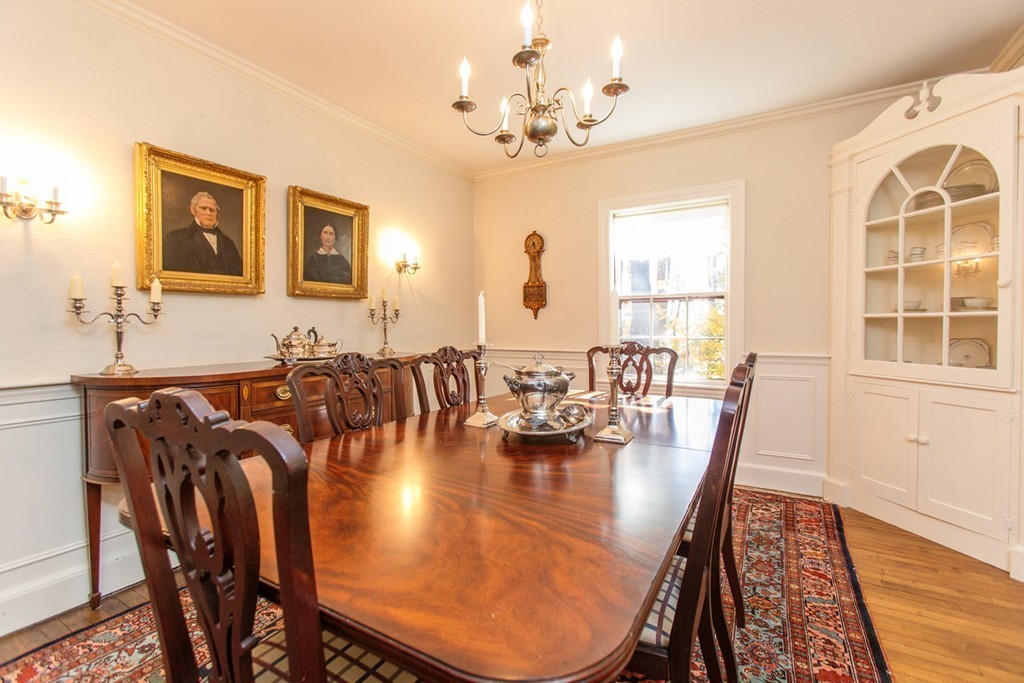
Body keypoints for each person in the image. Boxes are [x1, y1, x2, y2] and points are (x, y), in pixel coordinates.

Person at [162, 191, 243, 276]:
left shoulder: (228, 243)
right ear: (193, 210)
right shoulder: (175, 238)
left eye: (212, 210)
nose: (208, 213)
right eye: (203, 208)